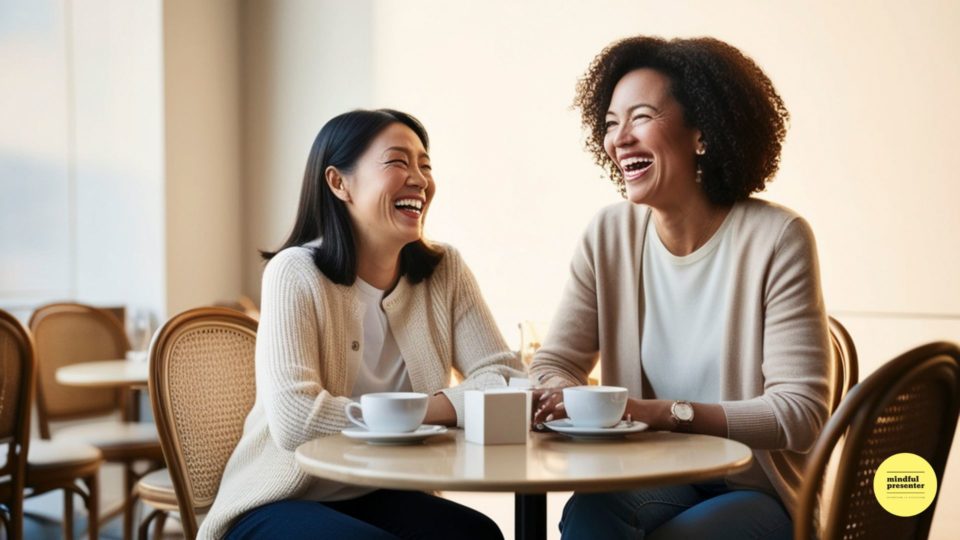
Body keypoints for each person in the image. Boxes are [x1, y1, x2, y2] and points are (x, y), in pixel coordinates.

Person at [529, 36, 830, 539]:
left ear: (702, 134)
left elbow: (799, 414)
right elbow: (554, 363)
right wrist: (561, 396)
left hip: (755, 491)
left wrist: (661, 413)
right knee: (590, 512)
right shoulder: (608, 236)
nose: (619, 138)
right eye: (610, 123)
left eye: (641, 117)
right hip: (656, 475)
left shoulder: (778, 238)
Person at [202, 109, 522, 540]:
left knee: (476, 534)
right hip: (276, 501)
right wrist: (433, 411)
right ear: (339, 183)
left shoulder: (444, 270)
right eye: (397, 162)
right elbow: (298, 418)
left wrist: (427, 411)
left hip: (377, 492)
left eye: (425, 165)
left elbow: (505, 376)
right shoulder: (294, 272)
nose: (419, 179)